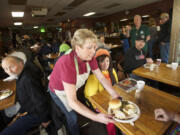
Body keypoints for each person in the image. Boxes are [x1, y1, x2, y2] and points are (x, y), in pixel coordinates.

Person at [48, 29, 120, 135]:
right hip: (58, 91)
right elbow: (72, 101)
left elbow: (101, 78)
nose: (93, 51)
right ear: (77, 48)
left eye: (94, 47)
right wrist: (96, 117)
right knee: (72, 117)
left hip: (71, 88)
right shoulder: (67, 63)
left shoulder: (90, 57)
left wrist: (114, 94)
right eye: (89, 48)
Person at [1, 56, 50, 135]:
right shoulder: (22, 74)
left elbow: (40, 101)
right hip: (27, 108)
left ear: (21, 64)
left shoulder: (28, 79)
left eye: (12, 67)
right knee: (3, 115)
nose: (9, 71)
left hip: (35, 114)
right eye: (6, 69)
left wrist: (45, 119)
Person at [84, 48, 119, 135]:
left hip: (111, 100)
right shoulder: (94, 76)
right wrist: (97, 108)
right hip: (99, 104)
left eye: (107, 61)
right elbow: (90, 96)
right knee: (110, 118)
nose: (105, 64)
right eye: (102, 61)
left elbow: (116, 87)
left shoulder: (112, 71)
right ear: (97, 63)